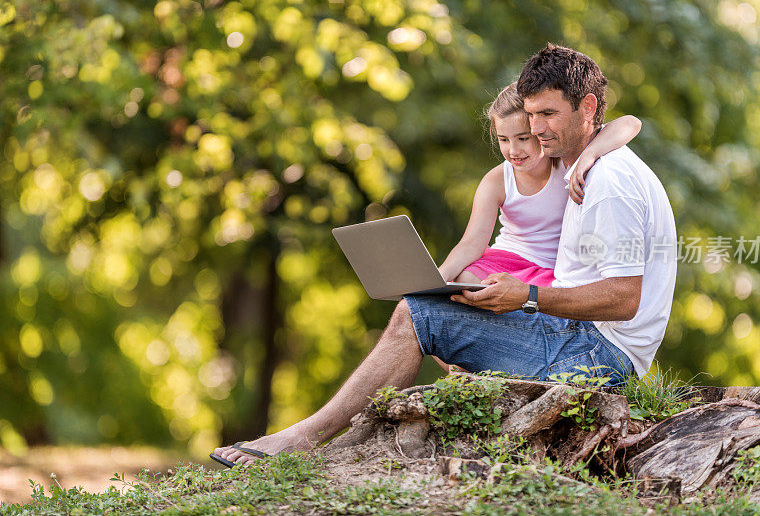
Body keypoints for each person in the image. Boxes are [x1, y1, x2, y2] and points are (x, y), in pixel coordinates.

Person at [213, 43, 677, 466]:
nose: (536, 130)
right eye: (531, 116)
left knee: (419, 315)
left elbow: (623, 298)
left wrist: (529, 296)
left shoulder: (609, 183)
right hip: (579, 335)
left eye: (549, 115)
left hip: (597, 357)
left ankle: (304, 438)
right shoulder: (586, 164)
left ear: (588, 107)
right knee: (433, 302)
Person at [433, 83, 640, 373]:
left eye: (523, 138)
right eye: (504, 139)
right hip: (508, 261)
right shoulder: (497, 181)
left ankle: (507, 369)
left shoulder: (564, 163)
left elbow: (631, 123)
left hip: (554, 273)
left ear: (540, 132)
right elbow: (471, 244)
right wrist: (436, 280)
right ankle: (468, 379)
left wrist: (591, 154)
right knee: (463, 287)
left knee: (547, 316)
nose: (513, 150)